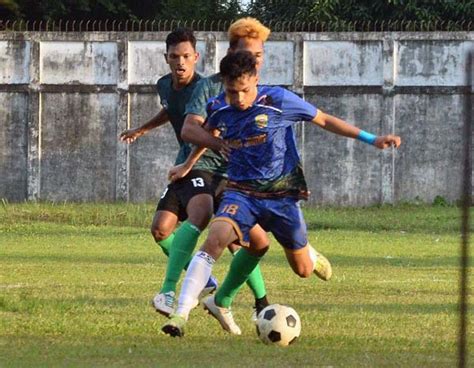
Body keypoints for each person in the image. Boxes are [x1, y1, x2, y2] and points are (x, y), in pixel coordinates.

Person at [162, 50, 401, 337]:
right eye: (231, 91)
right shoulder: (219, 107)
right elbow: (206, 136)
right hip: (241, 193)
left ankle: (309, 255)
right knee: (214, 239)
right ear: (224, 83)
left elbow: (323, 119)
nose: (237, 99)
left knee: (301, 269)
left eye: (244, 91)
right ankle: (181, 314)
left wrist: (372, 139)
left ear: (256, 80)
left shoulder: (278, 101)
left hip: (281, 196)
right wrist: (189, 164)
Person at [146, 18, 274, 325]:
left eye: (258, 55)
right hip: (201, 168)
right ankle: (183, 290)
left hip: (235, 176)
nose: (253, 61)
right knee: (166, 228)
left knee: (248, 241)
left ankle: (246, 300)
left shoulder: (264, 92)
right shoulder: (206, 88)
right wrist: (192, 161)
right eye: (247, 54)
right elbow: (195, 127)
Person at [119, 28, 219, 315]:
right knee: (160, 230)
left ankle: (252, 300)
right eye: (174, 56)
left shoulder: (204, 89)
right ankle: (205, 279)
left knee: (234, 239)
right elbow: (171, 110)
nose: (181, 62)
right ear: (166, 58)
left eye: (186, 56)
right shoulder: (164, 85)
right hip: (184, 164)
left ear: (196, 57)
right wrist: (141, 129)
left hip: (208, 166)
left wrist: (189, 163)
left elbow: (209, 129)